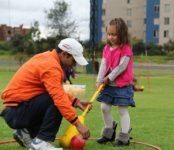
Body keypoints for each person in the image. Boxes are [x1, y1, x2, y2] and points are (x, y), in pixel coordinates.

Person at [0, 38, 91, 150]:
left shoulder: (47, 58)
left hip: (14, 110)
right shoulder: (51, 67)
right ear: (65, 54)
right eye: (74, 61)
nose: (74, 65)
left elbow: (55, 89)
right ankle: (41, 142)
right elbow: (59, 98)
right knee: (56, 102)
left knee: (53, 100)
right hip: (16, 111)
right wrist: (78, 125)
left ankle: (25, 133)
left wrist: (75, 102)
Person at [96, 18, 134, 146]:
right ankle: (109, 132)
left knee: (122, 111)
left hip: (122, 85)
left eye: (114, 34)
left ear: (122, 34)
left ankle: (124, 138)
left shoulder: (126, 49)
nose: (111, 37)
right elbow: (103, 64)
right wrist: (99, 80)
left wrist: (109, 78)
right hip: (109, 85)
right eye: (109, 34)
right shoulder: (107, 48)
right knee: (104, 107)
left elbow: (121, 67)